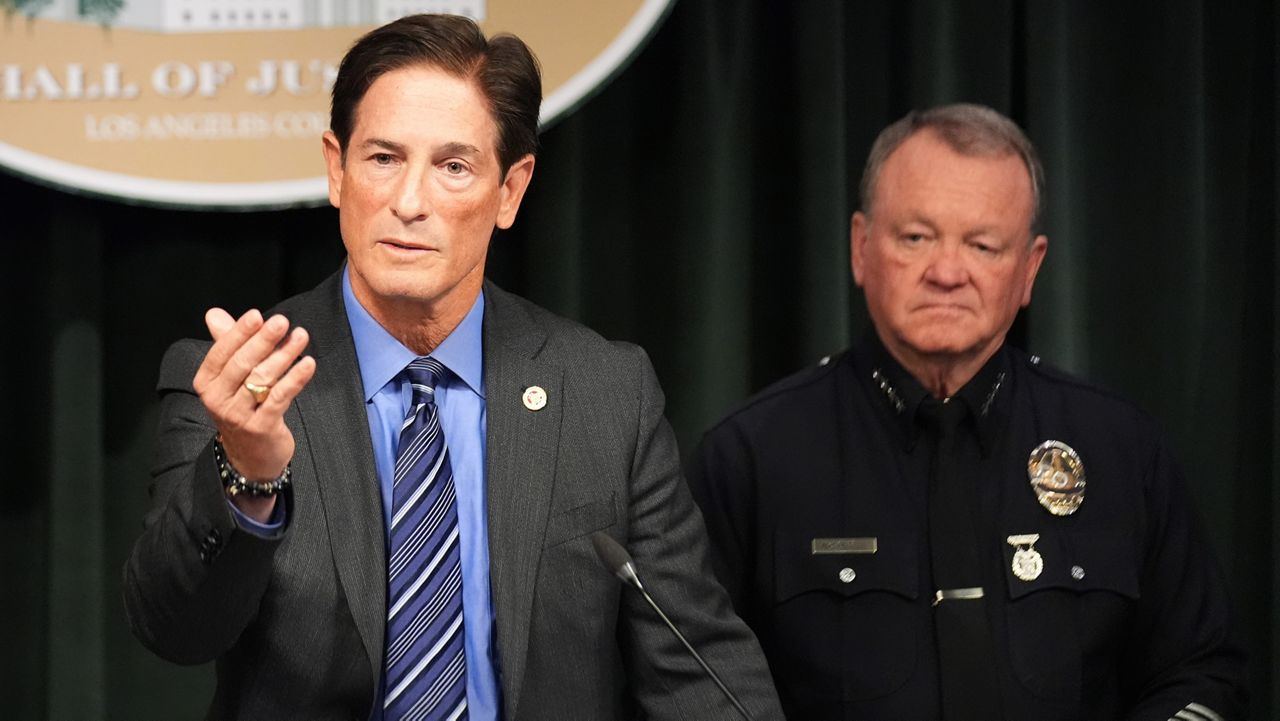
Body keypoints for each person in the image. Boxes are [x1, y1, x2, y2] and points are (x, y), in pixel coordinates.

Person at [123, 14, 782, 721]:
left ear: (510, 190)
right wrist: (247, 473)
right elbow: (174, 627)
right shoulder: (240, 379)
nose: (410, 203)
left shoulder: (603, 393)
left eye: (453, 166)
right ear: (335, 168)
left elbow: (697, 669)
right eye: (382, 158)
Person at [686, 104, 1248, 720]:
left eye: (982, 245)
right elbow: (691, 688)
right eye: (916, 238)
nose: (947, 273)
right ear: (861, 248)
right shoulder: (751, 458)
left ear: (1030, 269)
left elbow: (1200, 674)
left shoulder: (1120, 448)